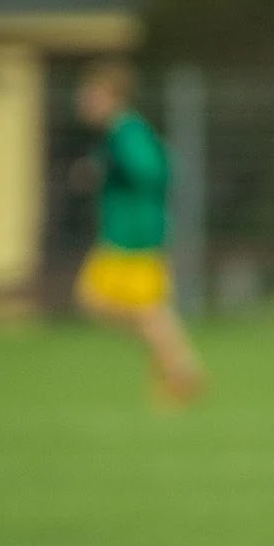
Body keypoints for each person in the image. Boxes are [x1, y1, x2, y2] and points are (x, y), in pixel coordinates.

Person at [71, 59, 204, 406]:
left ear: (111, 96)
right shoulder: (118, 134)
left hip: (135, 236)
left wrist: (110, 169)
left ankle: (180, 370)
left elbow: (154, 169)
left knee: (138, 310)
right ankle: (178, 366)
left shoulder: (126, 131)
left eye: (92, 94)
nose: (84, 101)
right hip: (123, 235)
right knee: (108, 305)